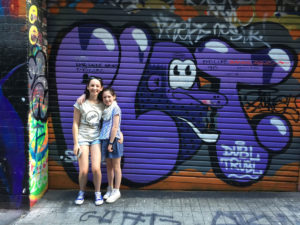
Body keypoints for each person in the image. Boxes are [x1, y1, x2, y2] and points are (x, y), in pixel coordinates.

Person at [72, 76, 104, 206]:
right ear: (87, 87)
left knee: (96, 168)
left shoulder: (103, 104)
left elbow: (114, 110)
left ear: (101, 88)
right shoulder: (80, 103)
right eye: (92, 85)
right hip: (82, 139)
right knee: (84, 170)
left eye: (97, 86)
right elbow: (75, 123)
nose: (94, 88)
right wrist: (76, 143)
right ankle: (81, 192)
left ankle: (97, 193)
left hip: (96, 138)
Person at [100, 87, 123, 203]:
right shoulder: (105, 109)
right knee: (108, 167)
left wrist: (110, 143)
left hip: (113, 140)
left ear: (114, 96)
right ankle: (110, 188)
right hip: (104, 139)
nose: (107, 99)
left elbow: (115, 127)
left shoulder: (115, 108)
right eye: (104, 97)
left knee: (116, 167)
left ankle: (116, 191)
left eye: (109, 96)